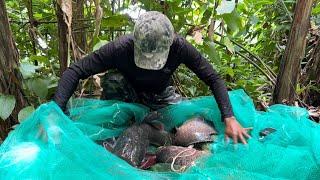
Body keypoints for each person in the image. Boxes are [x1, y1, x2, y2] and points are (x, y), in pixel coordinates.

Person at [53, 11, 250, 144]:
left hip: (160, 94)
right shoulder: (120, 48)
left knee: (187, 123)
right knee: (114, 82)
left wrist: (229, 117)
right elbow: (75, 71)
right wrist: (56, 110)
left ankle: (152, 122)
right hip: (127, 93)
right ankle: (120, 122)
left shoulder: (179, 47)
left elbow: (213, 78)